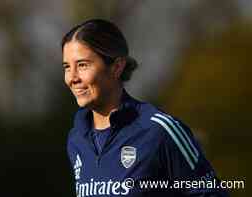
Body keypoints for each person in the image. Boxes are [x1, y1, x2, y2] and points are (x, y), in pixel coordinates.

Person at [62, 19, 229, 197]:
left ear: (117, 67)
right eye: (67, 67)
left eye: (82, 65)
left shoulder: (159, 130)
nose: (72, 77)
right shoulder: (76, 139)